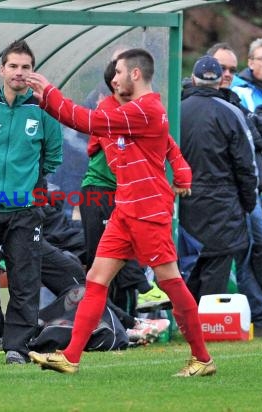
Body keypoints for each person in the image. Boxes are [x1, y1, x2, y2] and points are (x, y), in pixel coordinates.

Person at [26, 48, 215, 377]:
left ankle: (202, 358)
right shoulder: (132, 108)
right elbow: (102, 127)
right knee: (96, 279)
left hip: (147, 210)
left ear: (136, 74)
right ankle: (71, 356)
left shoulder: (145, 109)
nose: (112, 78)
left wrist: (50, 93)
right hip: (125, 209)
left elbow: (88, 121)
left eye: (118, 72)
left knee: (171, 282)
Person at [0, 39, 63, 365]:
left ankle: (17, 346)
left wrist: (28, 183)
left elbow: (52, 156)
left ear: (33, 72)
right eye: (14, 66)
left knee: (24, 277)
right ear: (2, 69)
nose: (19, 73)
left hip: (25, 209)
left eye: (26, 67)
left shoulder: (44, 111)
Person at [80, 59, 172, 316]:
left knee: (114, 258)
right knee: (102, 260)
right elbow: (115, 159)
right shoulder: (111, 113)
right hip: (99, 192)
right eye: (117, 74)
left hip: (119, 194)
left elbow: (166, 147)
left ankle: (122, 322)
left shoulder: (140, 113)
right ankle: (141, 293)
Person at [180, 54, 257, 303]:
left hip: (184, 199)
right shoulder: (232, 112)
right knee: (217, 264)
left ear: (193, 79)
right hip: (223, 202)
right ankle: (207, 323)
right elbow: (246, 165)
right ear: (219, 82)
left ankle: (186, 321)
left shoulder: (176, 111)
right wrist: (248, 201)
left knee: (190, 264)